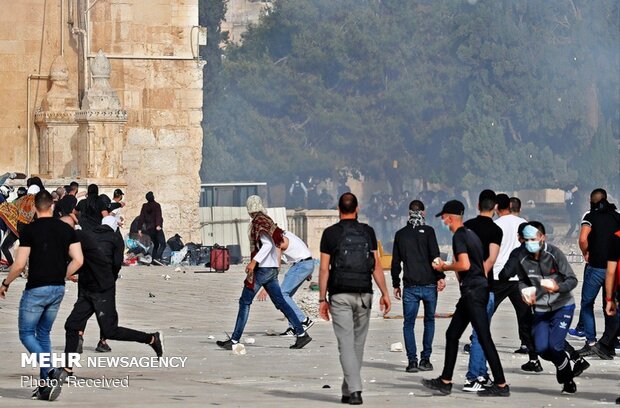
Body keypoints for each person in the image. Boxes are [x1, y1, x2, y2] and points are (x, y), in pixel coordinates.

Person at [56, 216, 163, 400]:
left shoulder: (83, 235)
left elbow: (79, 260)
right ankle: (67, 367)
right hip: (92, 287)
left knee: (110, 331)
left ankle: (152, 338)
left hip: (101, 288)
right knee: (72, 325)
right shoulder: (106, 238)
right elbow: (115, 264)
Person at [0, 190, 84, 401]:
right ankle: (45, 386)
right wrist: (62, 276)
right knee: (43, 334)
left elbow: (19, 265)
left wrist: (5, 283)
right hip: (57, 289)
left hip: (36, 288)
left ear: (34, 208)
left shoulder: (29, 230)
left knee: (26, 334)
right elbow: (78, 260)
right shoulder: (66, 230)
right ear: (53, 206)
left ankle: (52, 370)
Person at [422, 200, 509, 397]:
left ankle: (501, 384)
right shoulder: (471, 235)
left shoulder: (460, 235)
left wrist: (444, 267)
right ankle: (445, 381)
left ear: (450, 217)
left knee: (484, 338)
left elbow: (465, 265)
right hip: (475, 291)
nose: (443, 221)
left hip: (474, 292)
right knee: (452, 334)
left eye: (444, 217)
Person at [319, 192, 391, 405]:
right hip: (364, 293)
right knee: (357, 344)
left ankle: (355, 390)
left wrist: (322, 299)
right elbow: (376, 265)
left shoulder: (330, 234)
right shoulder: (367, 232)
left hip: (340, 294)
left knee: (346, 344)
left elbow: (324, 269)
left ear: (338, 209)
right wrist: (384, 293)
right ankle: (347, 389)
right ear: (357, 208)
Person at [216, 195, 312, 350]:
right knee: (280, 302)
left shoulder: (258, 222)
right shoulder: (266, 219)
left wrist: (254, 262)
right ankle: (301, 334)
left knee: (245, 302)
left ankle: (234, 340)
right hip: (272, 268)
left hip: (264, 269)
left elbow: (267, 245)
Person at [515, 222, 579, 393]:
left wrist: (558, 287)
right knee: (542, 349)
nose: (530, 243)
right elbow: (522, 280)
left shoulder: (554, 253)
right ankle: (563, 363)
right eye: (526, 239)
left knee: (555, 346)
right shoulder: (522, 257)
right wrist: (524, 292)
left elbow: (572, 279)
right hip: (541, 309)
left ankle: (567, 379)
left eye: (533, 239)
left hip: (562, 306)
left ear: (542, 237)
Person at [391, 199, 444, 373]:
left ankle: (412, 361)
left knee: (409, 324)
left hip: (410, 286)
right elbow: (435, 256)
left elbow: (396, 262)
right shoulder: (429, 232)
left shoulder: (400, 234)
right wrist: (440, 277)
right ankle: (425, 359)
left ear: (409, 213)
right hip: (429, 284)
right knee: (429, 321)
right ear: (424, 212)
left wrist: (395, 283)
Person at [461, 190, 503, 392]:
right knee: (480, 333)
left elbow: (461, 260)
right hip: (485, 288)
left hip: (468, 286)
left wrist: (466, 281)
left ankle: (481, 372)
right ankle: (474, 377)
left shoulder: (466, 227)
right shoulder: (495, 230)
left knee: (477, 332)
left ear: (478, 205)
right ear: (495, 208)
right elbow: (491, 260)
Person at [492, 195, 540, 363]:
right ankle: (527, 345)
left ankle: (477, 338)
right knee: (525, 313)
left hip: (499, 274)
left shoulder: (496, 225)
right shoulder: (523, 223)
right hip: (520, 276)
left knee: (488, 309)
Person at [574, 188, 620, 358]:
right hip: (614, 268)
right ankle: (608, 343)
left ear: (591, 201)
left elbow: (583, 239)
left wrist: (586, 252)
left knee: (587, 304)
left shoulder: (590, 217)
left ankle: (591, 342)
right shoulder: (617, 216)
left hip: (596, 267)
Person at [256, 230, 316, 335]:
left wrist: (266, 288)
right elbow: (302, 247)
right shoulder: (286, 234)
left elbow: (276, 266)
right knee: (287, 296)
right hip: (307, 263)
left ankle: (303, 320)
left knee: (282, 294)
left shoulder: (277, 241)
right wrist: (307, 270)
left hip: (301, 265)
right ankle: (293, 327)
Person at [138, 191, 166, 264]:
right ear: (153, 197)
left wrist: (139, 229)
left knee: (156, 244)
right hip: (156, 228)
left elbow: (141, 217)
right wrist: (158, 225)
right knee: (163, 244)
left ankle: (154, 259)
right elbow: (158, 215)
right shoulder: (156, 205)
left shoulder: (144, 206)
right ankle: (157, 257)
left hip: (149, 229)